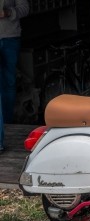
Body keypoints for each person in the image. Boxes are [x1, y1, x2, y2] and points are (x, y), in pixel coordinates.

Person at [0, 0, 29, 152]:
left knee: (9, 83)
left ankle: (8, 123)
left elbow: (25, 8)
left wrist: (8, 12)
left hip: (10, 37)